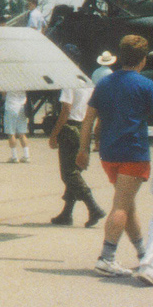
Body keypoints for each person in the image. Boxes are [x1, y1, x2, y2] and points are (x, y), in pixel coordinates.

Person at [76, 35, 153, 278]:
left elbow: (88, 119)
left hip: (108, 153)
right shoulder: (145, 85)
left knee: (127, 204)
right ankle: (106, 258)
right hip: (133, 151)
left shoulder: (105, 83)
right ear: (142, 60)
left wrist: (83, 149)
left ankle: (143, 256)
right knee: (121, 206)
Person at [47, 83, 105, 226]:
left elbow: (66, 110)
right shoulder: (90, 85)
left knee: (69, 174)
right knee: (75, 171)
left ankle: (93, 207)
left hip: (70, 128)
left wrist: (54, 134)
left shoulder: (69, 84)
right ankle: (67, 213)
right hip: (84, 127)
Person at [2, 90, 30, 162]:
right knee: (22, 133)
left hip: (11, 107)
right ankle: (26, 155)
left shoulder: (7, 82)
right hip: (22, 107)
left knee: (11, 133)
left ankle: (14, 156)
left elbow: (3, 95)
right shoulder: (22, 82)